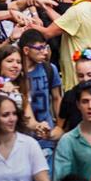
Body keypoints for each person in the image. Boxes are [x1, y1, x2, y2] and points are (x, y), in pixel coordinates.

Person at [20, 29, 63, 170]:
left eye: (45, 47)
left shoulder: (49, 69)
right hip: (23, 139)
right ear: (26, 50)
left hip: (46, 139)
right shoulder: (17, 73)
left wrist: (59, 126)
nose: (44, 52)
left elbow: (57, 98)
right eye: (39, 48)